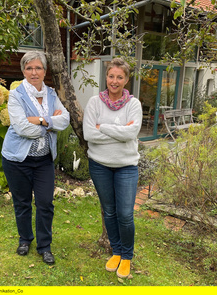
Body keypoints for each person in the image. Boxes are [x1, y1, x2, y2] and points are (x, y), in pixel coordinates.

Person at [1, 50, 70, 265]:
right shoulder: (16, 95)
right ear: (23, 71)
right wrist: (50, 124)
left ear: (44, 71)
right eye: (29, 68)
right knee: (21, 203)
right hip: (17, 159)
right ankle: (24, 239)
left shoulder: (51, 94)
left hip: (43, 160)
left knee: (45, 203)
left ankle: (44, 245)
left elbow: (65, 120)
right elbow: (21, 127)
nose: (34, 72)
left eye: (38, 67)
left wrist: (39, 120)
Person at [83, 58, 142, 278]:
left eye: (119, 77)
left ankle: (127, 256)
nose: (114, 81)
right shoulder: (94, 103)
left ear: (126, 79)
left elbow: (131, 134)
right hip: (99, 166)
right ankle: (116, 252)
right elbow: (89, 135)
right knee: (109, 211)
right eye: (111, 76)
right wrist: (119, 132)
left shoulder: (133, 104)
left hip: (127, 167)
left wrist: (103, 128)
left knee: (125, 215)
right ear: (105, 77)